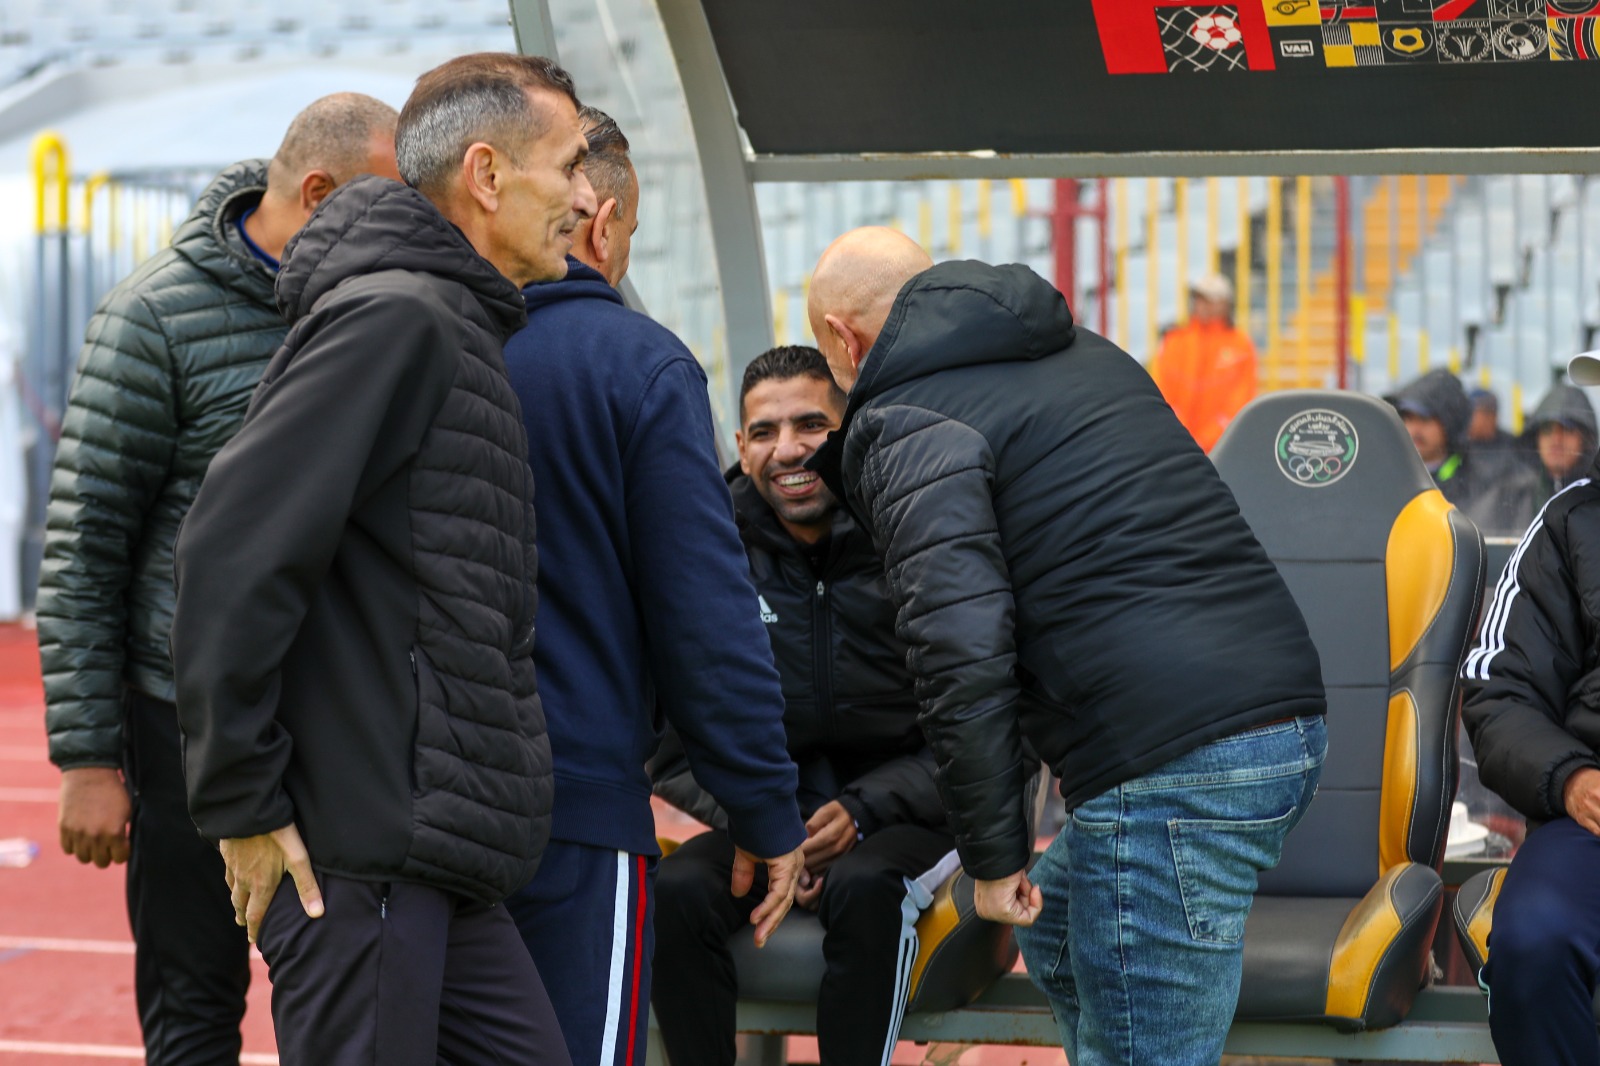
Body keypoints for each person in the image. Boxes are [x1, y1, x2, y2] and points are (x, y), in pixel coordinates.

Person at [804, 227, 1327, 1066]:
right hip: (1280, 720)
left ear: (843, 337)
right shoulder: (1083, 350)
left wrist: (992, 858)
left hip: (1167, 759)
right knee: (1056, 932)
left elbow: (959, 653)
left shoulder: (903, 419)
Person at [169, 53, 597, 1066]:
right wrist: (243, 804)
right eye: (571, 165)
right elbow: (231, 546)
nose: (587, 198)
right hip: (361, 860)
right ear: (486, 176)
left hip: (434, 853)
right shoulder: (401, 317)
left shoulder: (450, 324)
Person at [36, 92, 399, 1066]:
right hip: (181, 723)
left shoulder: (376, 307)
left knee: (353, 996)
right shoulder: (154, 316)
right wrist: (88, 762)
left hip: (342, 720)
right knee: (195, 1005)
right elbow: (84, 545)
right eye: (387, 204)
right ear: (317, 194)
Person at [498, 107, 805, 1066]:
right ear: (600, 223)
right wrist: (764, 809)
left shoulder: (404, 340)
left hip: (404, 803)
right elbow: (705, 619)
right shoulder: (637, 361)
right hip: (573, 807)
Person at [652, 345, 959, 1066]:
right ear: (741, 446)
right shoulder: (708, 551)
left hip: (907, 821)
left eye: (810, 425)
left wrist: (861, 811)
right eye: (764, 432)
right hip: (767, 819)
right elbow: (671, 743)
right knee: (676, 892)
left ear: (848, 429)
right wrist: (767, 821)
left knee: (865, 884)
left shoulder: (914, 535)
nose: (788, 450)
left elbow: (980, 725)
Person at [1458, 351, 1600, 1066]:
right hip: (1590, 819)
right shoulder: (1568, 524)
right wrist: (1571, 779)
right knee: (1532, 944)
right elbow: (1498, 688)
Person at [1387, 368, 1539, 537]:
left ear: (1448, 422)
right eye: (1408, 418)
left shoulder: (1491, 483)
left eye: (1424, 419)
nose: (1414, 429)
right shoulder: (1387, 476)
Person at [1146, 271, 1258, 452]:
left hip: (1222, 446)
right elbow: (1160, 389)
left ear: (1225, 304)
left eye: (1209, 299)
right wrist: (1180, 433)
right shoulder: (1175, 340)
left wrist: (1207, 438)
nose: (1201, 305)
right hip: (1175, 443)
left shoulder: (1240, 345)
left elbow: (1240, 399)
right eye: (1199, 298)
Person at [1527, 382, 1597, 502]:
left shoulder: (1595, 497)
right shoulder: (1513, 494)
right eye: (1547, 428)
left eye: (1566, 429)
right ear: (1536, 437)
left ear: (1585, 439)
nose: (1556, 439)